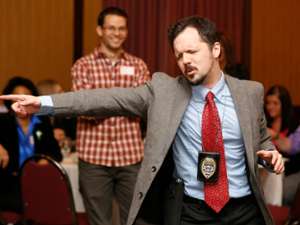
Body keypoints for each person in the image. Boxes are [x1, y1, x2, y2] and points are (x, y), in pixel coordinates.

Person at [0, 16, 284, 225]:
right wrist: (44, 104)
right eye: (179, 54)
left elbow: (260, 140)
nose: (185, 60)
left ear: (216, 50)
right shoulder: (164, 90)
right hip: (190, 211)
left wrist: (269, 156)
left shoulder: (250, 92)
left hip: (244, 211)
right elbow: (104, 99)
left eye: (192, 52)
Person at [72, 6, 150, 225]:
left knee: (136, 219)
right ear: (100, 30)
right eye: (111, 28)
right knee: (99, 222)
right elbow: (84, 108)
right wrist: (124, 102)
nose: (117, 33)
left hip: (131, 156)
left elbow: (142, 106)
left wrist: (100, 101)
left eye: (122, 28)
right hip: (93, 158)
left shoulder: (139, 66)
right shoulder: (82, 66)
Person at [0, 76, 62, 213]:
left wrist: (45, 160)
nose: (21, 103)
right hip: (8, 183)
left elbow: (56, 152)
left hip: (37, 182)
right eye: (17, 98)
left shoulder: (42, 123)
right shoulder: (2, 122)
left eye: (25, 97)